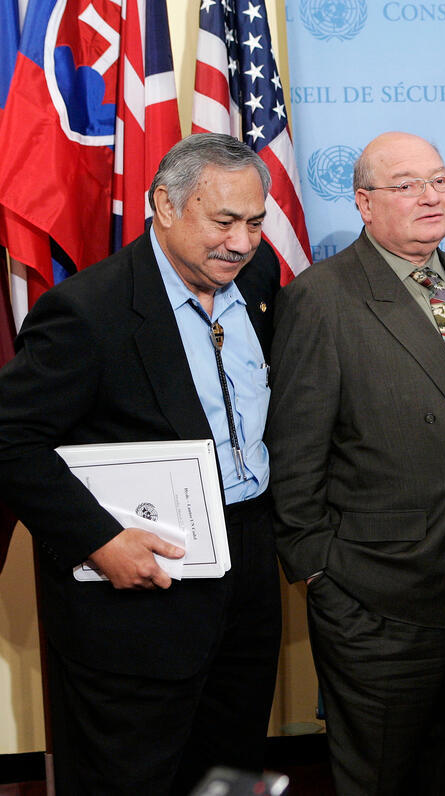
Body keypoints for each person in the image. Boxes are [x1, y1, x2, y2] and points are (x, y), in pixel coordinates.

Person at [0, 134, 281, 794]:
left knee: (231, 769)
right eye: (224, 221)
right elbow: (11, 439)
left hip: (245, 572)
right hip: (136, 595)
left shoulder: (260, 280)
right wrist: (99, 541)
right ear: (164, 204)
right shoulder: (87, 311)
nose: (241, 243)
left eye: (256, 222)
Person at [267, 132, 445, 795]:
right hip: (380, 607)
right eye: (407, 184)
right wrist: (324, 575)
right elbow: (295, 460)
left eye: (439, 181)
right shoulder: (323, 298)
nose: (430, 196)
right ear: (363, 202)